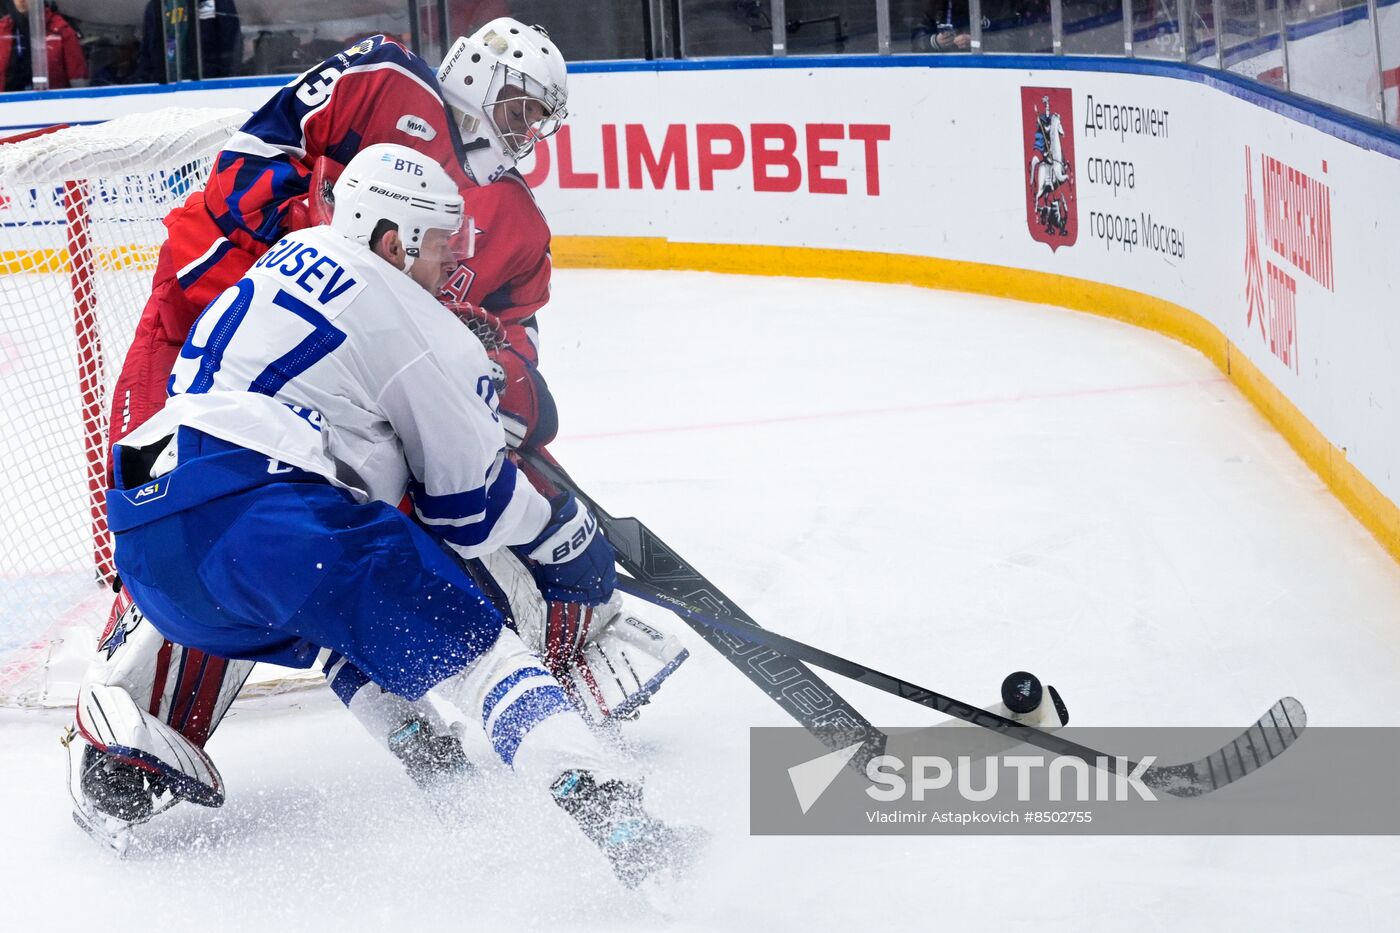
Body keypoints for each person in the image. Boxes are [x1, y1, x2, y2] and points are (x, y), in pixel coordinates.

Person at [72, 21, 686, 835]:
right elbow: (259, 162)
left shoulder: (514, 227)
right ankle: (604, 799)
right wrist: (560, 533)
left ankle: (455, 720)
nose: (526, 129)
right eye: (518, 104)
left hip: (286, 402)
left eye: (542, 119)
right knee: (340, 553)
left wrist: (487, 372)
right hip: (214, 349)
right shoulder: (385, 79)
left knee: (241, 541)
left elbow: (516, 371)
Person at [136, 0, 240, 84]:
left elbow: (231, 45)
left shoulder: (215, 2)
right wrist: (144, 81)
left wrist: (221, 80)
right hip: (165, 87)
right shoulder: (155, 6)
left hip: (206, 85)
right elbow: (147, 53)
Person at [0, 0, 86, 91]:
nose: (21, 0)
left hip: (52, 101)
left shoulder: (62, 30)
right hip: (8, 102)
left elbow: (77, 76)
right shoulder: (2, 30)